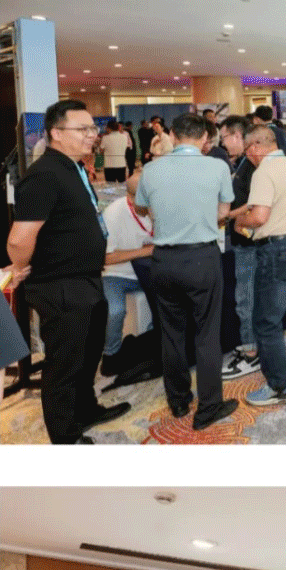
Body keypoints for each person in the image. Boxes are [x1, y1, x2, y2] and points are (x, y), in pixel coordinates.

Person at [6, 99, 130, 444]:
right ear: (56, 133)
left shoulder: (71, 167)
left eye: (93, 128)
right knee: (64, 364)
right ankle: (65, 436)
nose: (92, 134)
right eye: (83, 129)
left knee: (88, 354)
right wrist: (19, 268)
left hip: (86, 279)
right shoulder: (44, 175)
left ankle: (86, 409)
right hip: (61, 285)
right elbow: (18, 239)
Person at [133, 111, 239, 431]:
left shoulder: (151, 169)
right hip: (202, 258)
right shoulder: (218, 167)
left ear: (173, 136)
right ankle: (209, 407)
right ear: (205, 138)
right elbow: (223, 212)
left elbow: (142, 207)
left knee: (171, 333)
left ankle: (178, 400)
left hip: (163, 260)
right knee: (207, 334)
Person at [238, 125, 286, 406]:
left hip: (279, 250)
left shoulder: (264, 172)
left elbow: (258, 217)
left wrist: (239, 221)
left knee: (266, 321)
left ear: (256, 146)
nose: (248, 157)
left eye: (247, 151)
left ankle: (279, 385)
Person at [209, 117, 260, 381]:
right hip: (242, 241)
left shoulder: (252, 165)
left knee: (246, 298)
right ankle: (250, 344)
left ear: (238, 136)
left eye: (225, 137)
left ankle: (252, 353)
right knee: (245, 297)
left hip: (249, 244)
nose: (223, 143)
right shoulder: (242, 163)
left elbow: (255, 204)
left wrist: (227, 216)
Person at [99, 181, 155, 373]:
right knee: (115, 311)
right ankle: (110, 355)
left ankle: (151, 344)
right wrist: (145, 251)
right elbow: (105, 258)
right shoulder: (113, 214)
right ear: (130, 198)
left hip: (149, 272)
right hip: (117, 274)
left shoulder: (157, 206)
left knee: (170, 302)